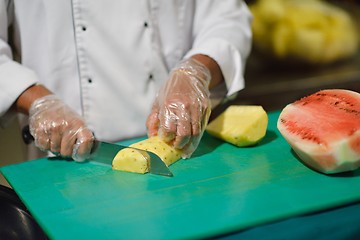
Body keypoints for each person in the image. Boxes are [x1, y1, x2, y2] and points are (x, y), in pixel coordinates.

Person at [0, 1, 252, 162]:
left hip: (179, 139)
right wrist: (37, 101)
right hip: (65, 151)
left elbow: (228, 17)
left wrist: (197, 70)